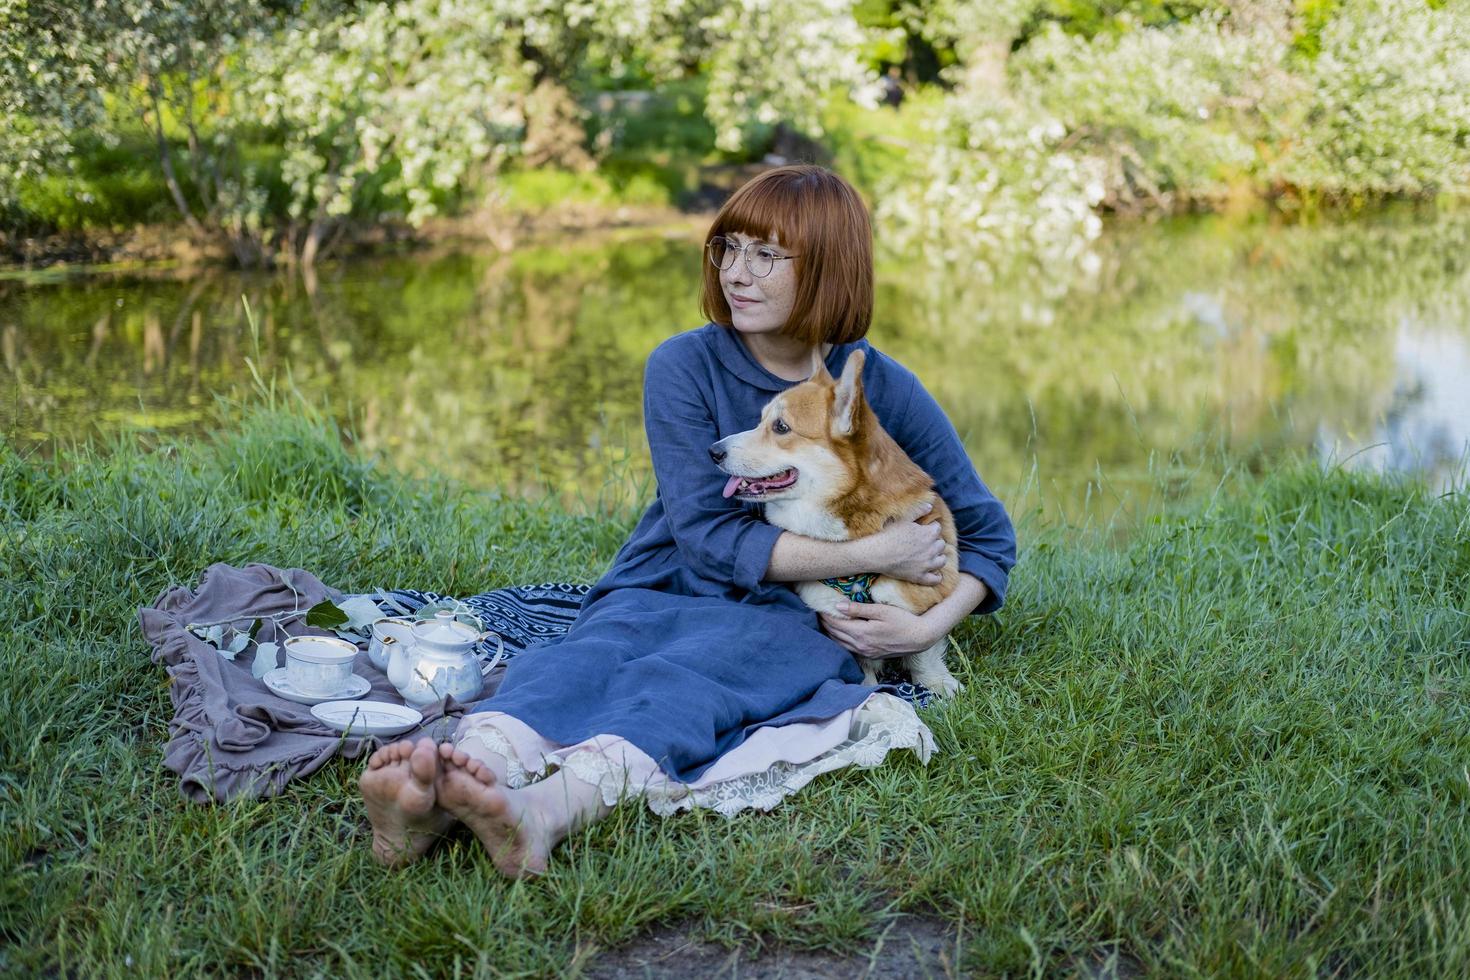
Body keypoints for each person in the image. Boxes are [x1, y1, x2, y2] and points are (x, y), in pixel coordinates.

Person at [359, 165, 1016, 877]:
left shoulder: (879, 386)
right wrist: (888, 550)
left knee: (691, 684)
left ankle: (547, 811)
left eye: (767, 255)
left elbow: (987, 533)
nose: (738, 272)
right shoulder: (683, 364)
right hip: (668, 577)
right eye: (728, 248)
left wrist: (924, 628)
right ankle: (445, 781)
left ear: (830, 267)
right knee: (589, 654)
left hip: (792, 614)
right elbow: (708, 536)